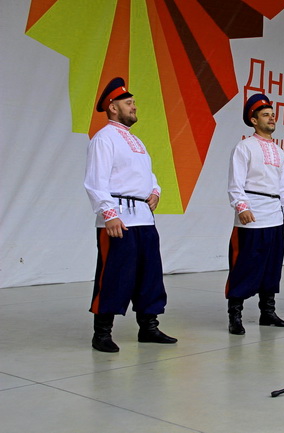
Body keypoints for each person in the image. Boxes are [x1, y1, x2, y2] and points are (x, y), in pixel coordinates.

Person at [84, 77, 177, 352]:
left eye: (133, 102)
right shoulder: (104, 139)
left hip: (144, 218)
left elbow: (146, 174)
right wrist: (109, 213)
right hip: (119, 218)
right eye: (128, 103)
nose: (134, 106)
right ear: (113, 107)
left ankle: (148, 326)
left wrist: (156, 191)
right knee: (114, 274)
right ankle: (102, 333)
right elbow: (96, 180)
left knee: (150, 274)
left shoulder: (136, 141)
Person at [225, 93, 284, 335]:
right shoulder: (244, 147)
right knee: (244, 265)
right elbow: (235, 181)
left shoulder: (279, 151)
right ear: (254, 120)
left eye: (272, 114)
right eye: (265, 115)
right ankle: (235, 315)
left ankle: (267, 312)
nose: (271, 118)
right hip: (253, 213)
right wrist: (242, 206)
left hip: (275, 214)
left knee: (271, 265)